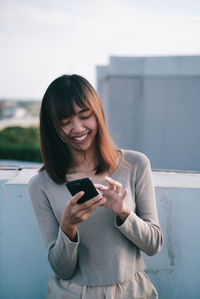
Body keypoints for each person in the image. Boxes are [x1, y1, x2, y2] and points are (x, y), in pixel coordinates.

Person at [28, 74, 163, 299]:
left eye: (84, 115)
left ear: (97, 113)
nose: (78, 128)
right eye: (65, 121)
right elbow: (61, 269)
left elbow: (154, 245)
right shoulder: (41, 185)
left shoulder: (136, 164)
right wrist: (68, 226)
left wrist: (123, 212)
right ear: (53, 127)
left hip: (131, 291)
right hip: (72, 293)